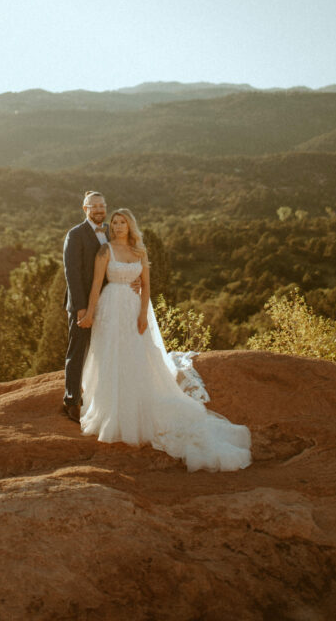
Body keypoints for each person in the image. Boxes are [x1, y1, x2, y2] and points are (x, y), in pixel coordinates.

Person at [77, 208, 252, 472]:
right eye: (115, 222)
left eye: (122, 221)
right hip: (110, 308)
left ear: (130, 225)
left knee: (136, 357)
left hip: (134, 308)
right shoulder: (105, 252)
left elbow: (146, 285)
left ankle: (138, 409)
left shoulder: (139, 251)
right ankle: (112, 413)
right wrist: (90, 313)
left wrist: (143, 314)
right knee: (111, 357)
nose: (118, 225)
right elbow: (95, 285)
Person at [61, 191, 139, 421]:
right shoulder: (75, 235)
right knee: (78, 351)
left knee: (105, 350)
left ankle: (101, 397)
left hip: (110, 303)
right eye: (93, 206)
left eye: (101, 206)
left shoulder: (111, 231)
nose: (98, 210)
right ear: (84, 209)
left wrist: (132, 279)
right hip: (83, 304)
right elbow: (72, 274)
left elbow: (124, 259)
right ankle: (72, 400)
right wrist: (81, 308)